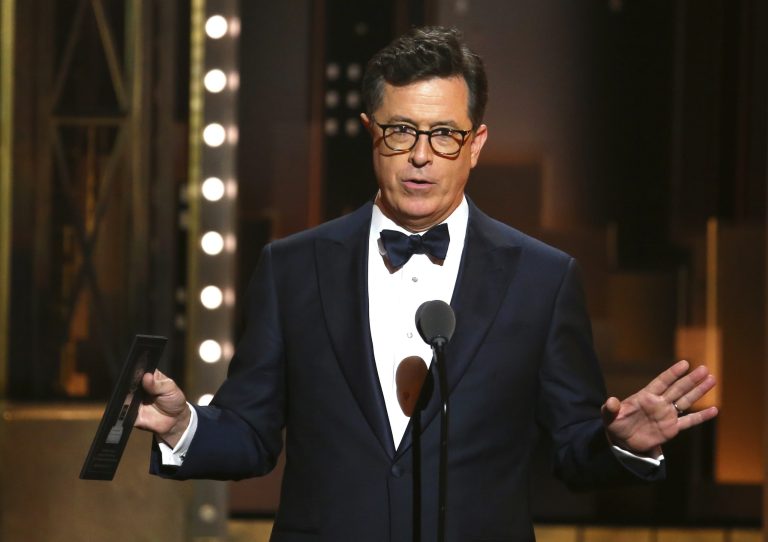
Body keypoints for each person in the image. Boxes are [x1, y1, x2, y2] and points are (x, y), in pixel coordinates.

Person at [136, 26, 718, 541]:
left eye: (444, 134)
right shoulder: (293, 268)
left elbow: (572, 449)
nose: (421, 156)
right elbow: (251, 434)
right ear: (370, 132)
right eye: (400, 132)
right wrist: (184, 425)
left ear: (476, 144)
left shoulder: (543, 278)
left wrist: (623, 443)